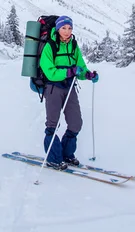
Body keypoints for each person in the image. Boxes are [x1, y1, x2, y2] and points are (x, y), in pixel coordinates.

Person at [39, 15, 99, 170]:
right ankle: (53, 158)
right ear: (58, 29)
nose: (67, 31)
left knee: (75, 123)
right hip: (53, 88)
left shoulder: (73, 45)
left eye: (70, 28)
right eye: (64, 28)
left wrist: (87, 74)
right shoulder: (50, 46)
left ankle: (66, 154)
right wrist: (69, 71)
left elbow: (80, 67)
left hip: (70, 88)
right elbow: (49, 71)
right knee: (52, 125)